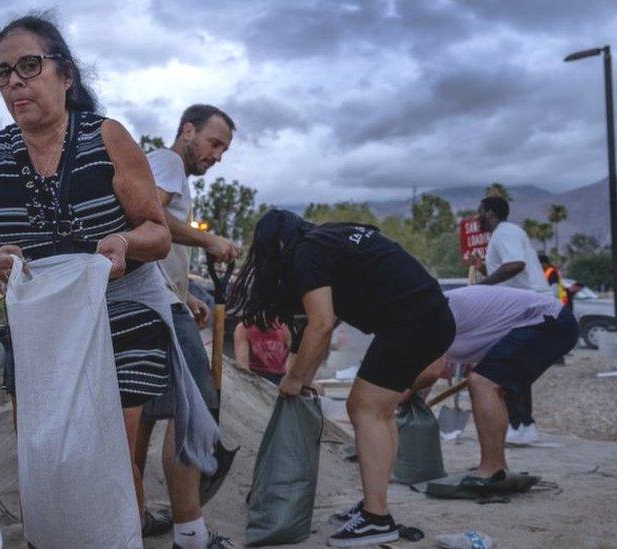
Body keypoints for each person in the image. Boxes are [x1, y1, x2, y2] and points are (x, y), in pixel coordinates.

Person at [0, 14, 218, 544]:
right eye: (2, 72)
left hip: (121, 315)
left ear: (66, 74)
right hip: (39, 328)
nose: (14, 81)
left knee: (111, 463)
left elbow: (157, 231)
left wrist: (123, 242)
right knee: (46, 460)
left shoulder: (107, 137)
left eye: (28, 66)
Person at [229, 210, 454, 547]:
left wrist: (293, 380)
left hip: (412, 322)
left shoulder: (305, 253)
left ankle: (377, 519)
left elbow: (321, 324)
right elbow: (322, 325)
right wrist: (304, 370)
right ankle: (373, 507)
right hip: (426, 316)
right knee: (378, 411)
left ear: (275, 242)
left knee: (365, 409)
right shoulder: (326, 241)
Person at [132, 104, 239, 548]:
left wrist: (185, 291)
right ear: (187, 130)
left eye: (224, 150)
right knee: (191, 412)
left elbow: (149, 238)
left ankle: (132, 515)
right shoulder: (167, 162)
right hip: (155, 308)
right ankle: (191, 535)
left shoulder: (162, 167)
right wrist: (210, 239)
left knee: (140, 416)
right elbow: (151, 217)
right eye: (214, 143)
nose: (217, 156)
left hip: (151, 300)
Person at [411, 285, 578, 486]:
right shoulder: (424, 315)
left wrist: (399, 394)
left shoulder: (428, 316)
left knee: (483, 383)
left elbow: (430, 372)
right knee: (484, 382)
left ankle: (493, 469)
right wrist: (411, 404)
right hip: (543, 322)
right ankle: (496, 467)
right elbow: (422, 374)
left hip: (546, 321)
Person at [470, 196, 551, 445]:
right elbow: (509, 268)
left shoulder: (504, 233)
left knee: (506, 365)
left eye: (480, 212)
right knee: (516, 367)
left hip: (527, 307)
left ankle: (518, 424)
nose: (477, 217)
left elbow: (515, 265)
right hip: (526, 306)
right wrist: (483, 267)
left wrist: (482, 286)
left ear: (491, 213)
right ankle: (524, 425)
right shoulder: (506, 233)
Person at [233, 320, 292, 385]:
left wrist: (288, 378)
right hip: (257, 374)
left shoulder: (283, 326)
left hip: (281, 375)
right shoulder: (244, 328)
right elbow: (243, 364)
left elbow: (292, 353)